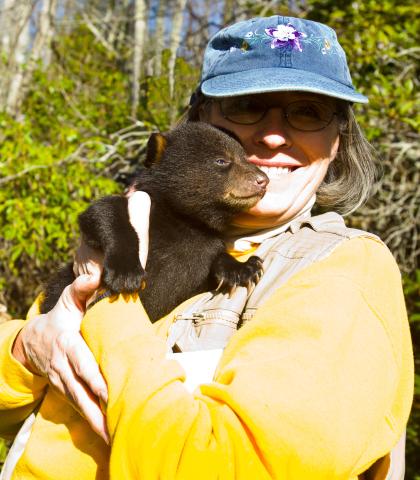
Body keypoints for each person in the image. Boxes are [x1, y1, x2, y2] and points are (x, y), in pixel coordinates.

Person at [0, 15, 413, 480]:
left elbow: (220, 464)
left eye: (308, 112)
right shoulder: (146, 224)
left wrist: (108, 301)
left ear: (337, 141)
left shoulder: (341, 271)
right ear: (202, 120)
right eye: (247, 106)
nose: (273, 135)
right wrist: (24, 348)